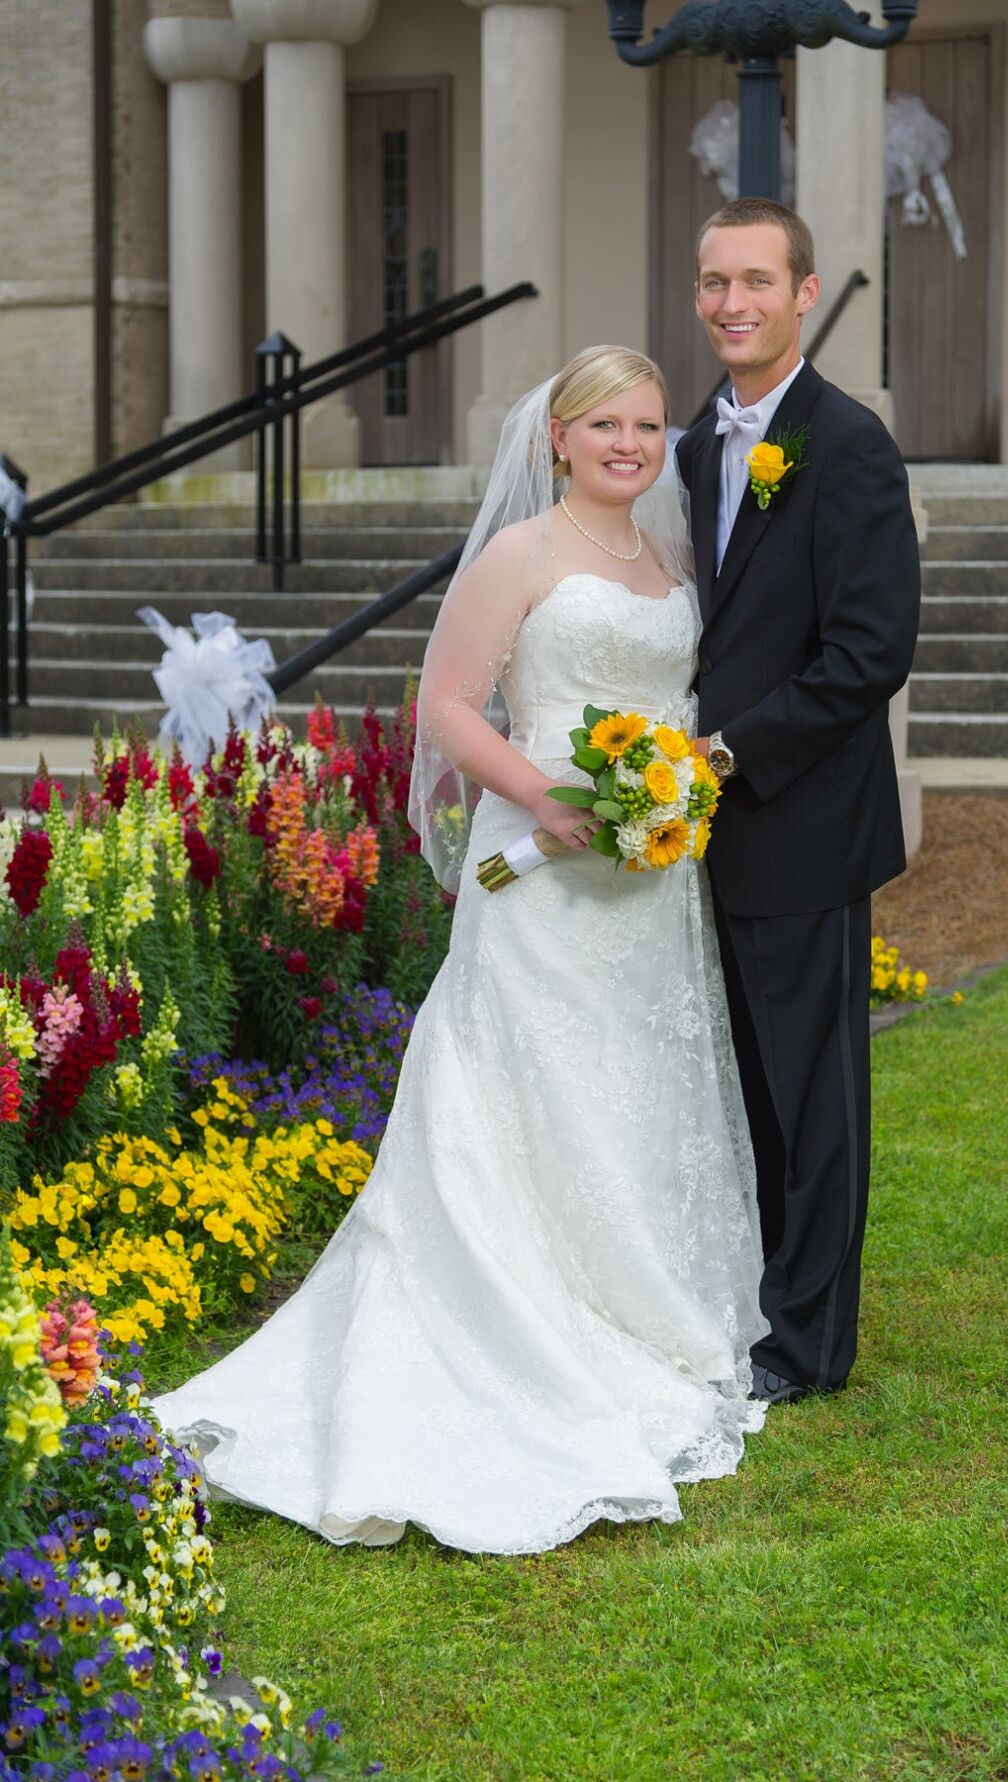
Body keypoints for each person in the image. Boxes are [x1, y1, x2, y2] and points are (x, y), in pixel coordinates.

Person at [150, 346, 769, 1557]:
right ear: (557, 438)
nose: (630, 445)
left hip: (647, 877)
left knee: (633, 1082)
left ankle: (635, 1302)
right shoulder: (520, 555)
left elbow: (683, 707)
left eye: (647, 426)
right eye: (605, 425)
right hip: (539, 865)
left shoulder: (670, 559)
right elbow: (444, 706)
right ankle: (512, 1316)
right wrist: (544, 797)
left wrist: (668, 793)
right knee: (527, 1080)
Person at [677, 198, 921, 1407]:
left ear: (805, 294)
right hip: (692, 836)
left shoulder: (850, 445)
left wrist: (723, 756)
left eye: (757, 282)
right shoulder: (692, 445)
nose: (733, 304)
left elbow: (869, 654)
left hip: (801, 824)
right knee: (743, 1091)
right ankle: (757, 1296)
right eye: (715, 283)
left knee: (813, 1097)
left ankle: (809, 1343)